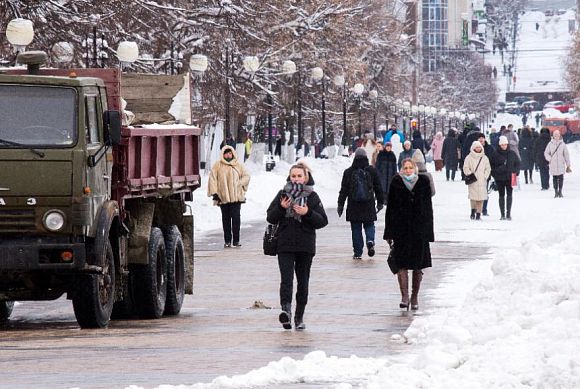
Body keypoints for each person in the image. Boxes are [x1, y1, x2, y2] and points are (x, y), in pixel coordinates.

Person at [266, 162, 328, 330]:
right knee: (286, 281)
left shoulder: (312, 197)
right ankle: (286, 312)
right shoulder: (283, 194)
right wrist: (281, 207)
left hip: (305, 246)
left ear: (305, 177)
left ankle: (299, 316)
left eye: (299, 176)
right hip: (284, 244)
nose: (296, 179)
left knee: (303, 282)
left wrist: (307, 213)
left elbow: (323, 221)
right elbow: (270, 217)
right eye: (293, 176)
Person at [384, 158, 434, 311]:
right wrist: (389, 233)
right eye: (405, 168)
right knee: (401, 264)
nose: (407, 170)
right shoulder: (396, 182)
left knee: (418, 266)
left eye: (410, 167)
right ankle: (404, 296)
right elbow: (390, 208)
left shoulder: (423, 182)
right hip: (401, 230)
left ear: (415, 169)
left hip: (419, 231)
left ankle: (415, 297)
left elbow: (428, 209)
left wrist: (429, 232)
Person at [337, 148, 384, 260]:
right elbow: (378, 187)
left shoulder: (348, 172)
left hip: (354, 205)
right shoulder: (372, 171)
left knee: (356, 228)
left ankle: (358, 252)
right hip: (368, 204)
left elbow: (343, 190)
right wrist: (380, 202)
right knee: (369, 224)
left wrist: (340, 205)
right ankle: (370, 240)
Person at [207, 145, 251, 247]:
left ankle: (236, 240)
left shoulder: (238, 165)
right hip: (223, 197)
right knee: (226, 219)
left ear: (233, 153)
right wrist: (215, 193)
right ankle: (227, 241)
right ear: (223, 154)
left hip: (236, 197)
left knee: (236, 219)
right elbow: (213, 179)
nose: (228, 155)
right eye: (226, 153)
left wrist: (239, 183)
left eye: (230, 153)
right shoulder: (217, 165)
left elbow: (247, 176)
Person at [490, 136, 520, 220]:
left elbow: (517, 164)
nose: (504, 146)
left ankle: (508, 214)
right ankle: (502, 214)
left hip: (510, 178)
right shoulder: (495, 154)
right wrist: (497, 172)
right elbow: (491, 166)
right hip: (500, 178)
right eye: (502, 144)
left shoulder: (512, 153)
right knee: (501, 195)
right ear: (499, 145)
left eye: (505, 144)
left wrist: (515, 172)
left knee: (510, 195)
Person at [463, 141, 491, 220]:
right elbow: (465, 167)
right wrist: (470, 174)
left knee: (481, 198)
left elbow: (488, 168)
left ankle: (479, 213)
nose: (478, 149)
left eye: (479, 147)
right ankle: (473, 211)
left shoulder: (484, 158)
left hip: (482, 181)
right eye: (477, 147)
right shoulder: (469, 157)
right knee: (473, 197)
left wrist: (485, 176)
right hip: (473, 180)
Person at [544, 130, 571, 198]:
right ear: (553, 136)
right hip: (553, 164)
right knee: (554, 178)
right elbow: (546, 153)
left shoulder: (562, 144)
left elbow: (566, 154)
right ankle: (556, 192)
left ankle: (560, 191)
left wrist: (568, 164)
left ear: (559, 135)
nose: (556, 136)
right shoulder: (550, 144)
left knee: (561, 178)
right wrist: (549, 159)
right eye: (555, 135)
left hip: (561, 164)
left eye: (557, 135)